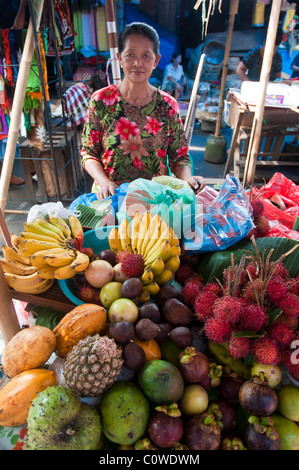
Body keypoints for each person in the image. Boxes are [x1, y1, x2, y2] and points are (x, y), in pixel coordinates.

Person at [81, 22, 205, 200]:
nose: (138, 63)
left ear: (156, 61)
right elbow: (88, 152)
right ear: (119, 58)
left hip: (156, 200)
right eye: (130, 54)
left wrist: (188, 179)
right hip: (110, 198)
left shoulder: (167, 105)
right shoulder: (101, 101)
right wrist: (104, 181)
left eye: (146, 56)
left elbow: (179, 157)